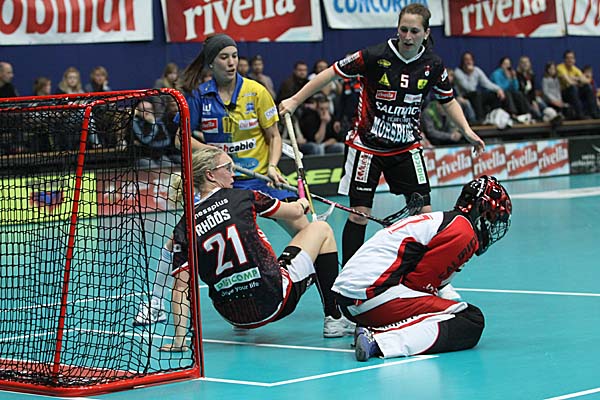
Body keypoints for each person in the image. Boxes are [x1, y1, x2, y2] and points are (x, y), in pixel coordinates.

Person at [279, 4, 485, 267]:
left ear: (426, 33)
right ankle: (349, 275)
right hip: (367, 147)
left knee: (423, 212)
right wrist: (295, 100)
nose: (407, 37)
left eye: (414, 31)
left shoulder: (433, 64)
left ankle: (420, 271)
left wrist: (466, 130)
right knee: (359, 214)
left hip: (407, 147)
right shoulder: (374, 56)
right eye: (403, 30)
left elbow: (448, 100)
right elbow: (331, 73)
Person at [134, 33, 308, 325]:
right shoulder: (199, 96)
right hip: (216, 182)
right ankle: (155, 303)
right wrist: (213, 152)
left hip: (256, 181)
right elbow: (180, 138)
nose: (231, 62)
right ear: (211, 64)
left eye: (234, 56)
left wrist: (273, 166)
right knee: (175, 243)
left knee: (306, 229)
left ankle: (332, 302)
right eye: (224, 57)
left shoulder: (256, 92)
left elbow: (274, 136)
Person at [159, 148, 354, 351]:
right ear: (210, 175)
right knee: (320, 229)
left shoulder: (184, 225)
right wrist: (303, 202)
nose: (234, 174)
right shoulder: (244, 197)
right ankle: (334, 317)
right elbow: (295, 212)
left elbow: (180, 288)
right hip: (274, 302)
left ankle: (227, 324)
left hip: (232, 315)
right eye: (228, 168)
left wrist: (179, 341)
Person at [332, 175, 512, 361]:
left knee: (444, 309)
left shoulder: (445, 221)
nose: (490, 226)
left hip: (354, 297)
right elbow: (418, 285)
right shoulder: (463, 232)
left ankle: (376, 327)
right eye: (491, 218)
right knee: (470, 319)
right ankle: (379, 340)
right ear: (480, 208)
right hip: (370, 296)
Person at [453, 52, 504, 123]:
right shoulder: (458, 72)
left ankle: (494, 117)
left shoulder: (476, 70)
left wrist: (498, 89)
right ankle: (480, 119)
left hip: (474, 95)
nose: (468, 62)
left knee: (494, 95)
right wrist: (470, 73)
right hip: (463, 96)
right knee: (477, 94)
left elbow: (486, 83)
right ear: (462, 62)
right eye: (466, 60)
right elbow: (469, 88)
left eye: (470, 59)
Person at [557, 50, 600, 119]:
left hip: (575, 92)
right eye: (568, 58)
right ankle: (580, 114)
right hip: (564, 94)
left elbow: (587, 81)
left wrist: (575, 78)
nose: (570, 60)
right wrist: (579, 80)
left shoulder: (575, 69)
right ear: (564, 59)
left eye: (572, 58)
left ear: (574, 60)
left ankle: (594, 113)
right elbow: (569, 82)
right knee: (573, 88)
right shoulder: (560, 67)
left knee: (587, 87)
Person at [489, 56, 532, 121]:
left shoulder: (510, 73)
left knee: (518, 93)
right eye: (505, 64)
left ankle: (526, 112)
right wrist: (509, 80)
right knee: (507, 93)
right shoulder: (496, 74)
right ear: (501, 65)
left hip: (508, 94)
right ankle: (513, 113)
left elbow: (515, 88)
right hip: (497, 95)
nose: (507, 66)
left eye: (508, 64)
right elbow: (500, 88)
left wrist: (514, 78)